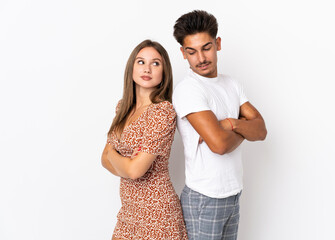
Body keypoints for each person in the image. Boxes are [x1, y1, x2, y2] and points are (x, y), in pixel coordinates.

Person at [172, 10, 267, 239]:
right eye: (192, 52)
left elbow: (262, 130)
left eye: (206, 48)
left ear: (218, 44)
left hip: (233, 194)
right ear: (183, 53)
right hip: (205, 198)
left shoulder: (231, 84)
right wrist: (243, 125)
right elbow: (219, 145)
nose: (201, 58)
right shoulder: (189, 90)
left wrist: (229, 123)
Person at [101, 39, 188, 240]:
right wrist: (125, 161)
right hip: (129, 213)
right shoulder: (122, 107)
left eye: (155, 63)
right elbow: (103, 159)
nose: (147, 68)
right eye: (141, 62)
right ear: (131, 67)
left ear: (164, 72)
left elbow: (135, 170)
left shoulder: (162, 112)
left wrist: (115, 154)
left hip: (157, 215)